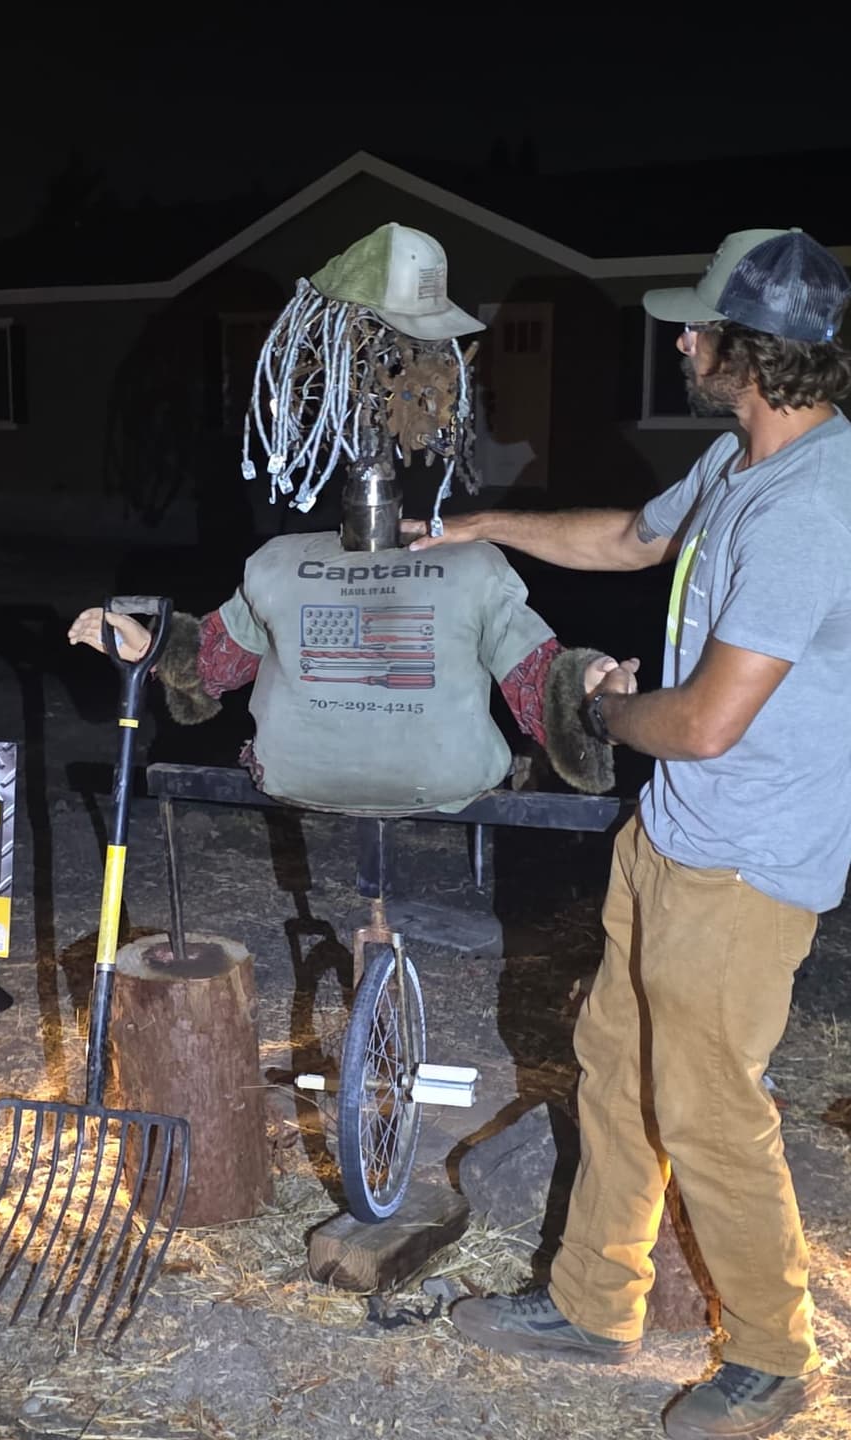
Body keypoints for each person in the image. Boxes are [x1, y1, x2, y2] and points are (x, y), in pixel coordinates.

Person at [404, 228, 851, 1438]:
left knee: (709, 1107)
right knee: (615, 1067)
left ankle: (771, 1358)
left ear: (752, 352)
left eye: (700, 326)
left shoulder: (811, 508)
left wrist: (604, 707)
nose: (682, 338)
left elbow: (704, 721)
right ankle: (595, 1303)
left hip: (747, 860)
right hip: (671, 839)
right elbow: (629, 540)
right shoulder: (733, 465)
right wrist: (485, 527)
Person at [69, 224, 636, 813]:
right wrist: (151, 648)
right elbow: (214, 657)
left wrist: (591, 700)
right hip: (404, 780)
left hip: (380, 777)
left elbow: (540, 683)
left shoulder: (465, 567)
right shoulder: (286, 565)